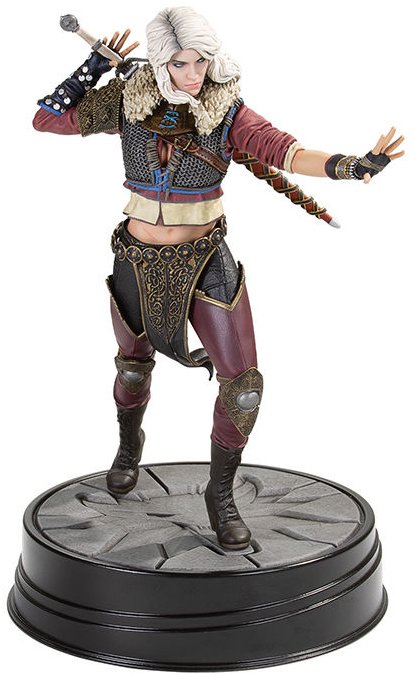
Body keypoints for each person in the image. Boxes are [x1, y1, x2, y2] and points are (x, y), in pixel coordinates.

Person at [33, 6, 404, 551]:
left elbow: (285, 150)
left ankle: (221, 493)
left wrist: (349, 166)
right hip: (134, 256)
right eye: (179, 63)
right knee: (132, 369)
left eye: (200, 62)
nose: (193, 74)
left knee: (243, 385)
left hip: (205, 259)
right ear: (160, 63)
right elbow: (46, 119)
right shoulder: (128, 99)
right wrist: (93, 67)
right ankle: (129, 447)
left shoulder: (227, 110)